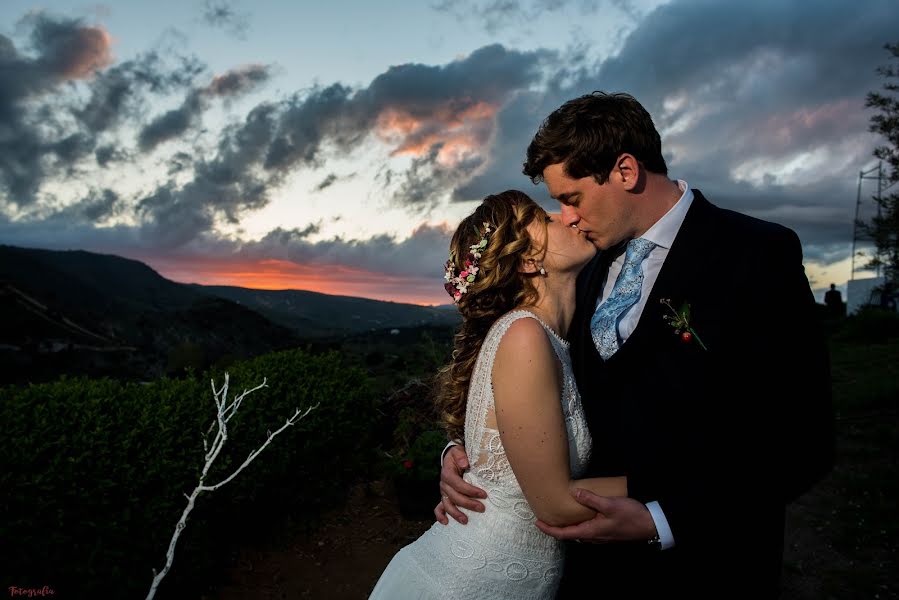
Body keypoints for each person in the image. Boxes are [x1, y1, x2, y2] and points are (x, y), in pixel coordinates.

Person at [437, 92, 835, 598]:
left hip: (707, 566)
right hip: (587, 571)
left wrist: (662, 519)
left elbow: (804, 440)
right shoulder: (580, 267)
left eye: (573, 198)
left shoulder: (756, 254)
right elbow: (516, 375)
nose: (567, 218)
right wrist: (465, 453)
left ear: (625, 171)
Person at [369, 190, 629, 599]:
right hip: (468, 584)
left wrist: (458, 450)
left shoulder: (550, 334)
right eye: (544, 218)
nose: (567, 217)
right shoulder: (524, 334)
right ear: (527, 260)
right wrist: (681, 483)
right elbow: (556, 505)